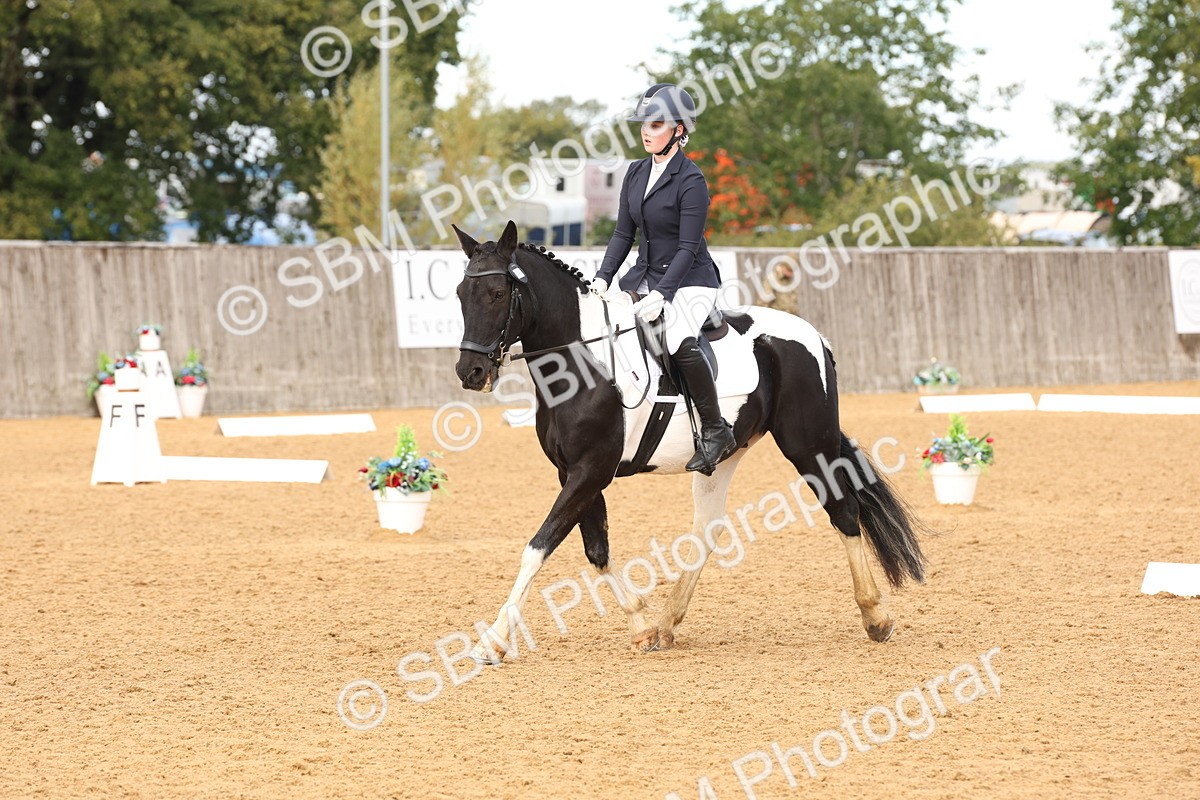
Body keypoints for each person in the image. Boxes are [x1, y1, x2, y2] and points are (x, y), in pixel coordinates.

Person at [590, 83, 737, 475]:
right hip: (646, 273)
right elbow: (624, 234)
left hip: (691, 279)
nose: (646, 130)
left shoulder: (692, 182)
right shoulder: (636, 172)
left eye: (656, 124)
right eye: (644, 123)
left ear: (679, 130)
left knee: (675, 337)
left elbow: (688, 248)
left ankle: (715, 429)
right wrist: (604, 277)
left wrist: (662, 293)